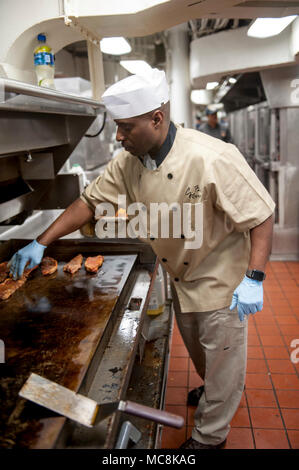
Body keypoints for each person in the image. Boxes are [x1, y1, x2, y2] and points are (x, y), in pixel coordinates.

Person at [9, 68, 275, 449]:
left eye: (126, 127)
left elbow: (262, 214)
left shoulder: (212, 157)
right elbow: (89, 202)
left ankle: (210, 437)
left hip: (223, 281)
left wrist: (255, 277)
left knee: (225, 359)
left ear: (157, 119)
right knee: (205, 356)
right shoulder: (129, 161)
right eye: (117, 126)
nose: (119, 136)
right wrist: (40, 240)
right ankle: (214, 389)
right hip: (182, 279)